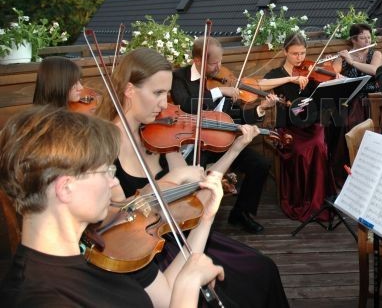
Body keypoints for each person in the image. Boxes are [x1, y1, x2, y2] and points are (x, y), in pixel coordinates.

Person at [97, 47, 289, 307]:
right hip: (146, 256)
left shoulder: (159, 135)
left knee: (263, 268)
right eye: (157, 93)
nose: (164, 104)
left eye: (166, 93)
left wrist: (235, 149)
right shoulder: (103, 147)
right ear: (130, 90)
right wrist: (174, 178)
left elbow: (198, 187)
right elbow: (114, 219)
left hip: (182, 234)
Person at [0, 105, 225, 307]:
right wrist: (188, 286)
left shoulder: (100, 244)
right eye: (105, 171)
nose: (114, 182)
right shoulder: (39, 298)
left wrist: (204, 218)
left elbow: (166, 299)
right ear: (65, 188)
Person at [170, 37, 273, 233]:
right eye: (213, 63)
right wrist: (218, 91)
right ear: (197, 61)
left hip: (221, 140)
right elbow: (186, 105)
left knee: (260, 164)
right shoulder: (179, 77)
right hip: (196, 143)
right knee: (192, 177)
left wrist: (260, 109)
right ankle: (191, 223)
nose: (219, 67)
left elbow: (235, 117)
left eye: (220, 61)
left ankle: (240, 213)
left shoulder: (221, 77)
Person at [259, 33, 336, 222]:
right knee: (300, 150)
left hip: (311, 123)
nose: (300, 58)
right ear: (285, 52)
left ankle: (319, 200)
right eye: (295, 53)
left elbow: (325, 91)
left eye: (302, 53)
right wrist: (289, 79)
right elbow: (261, 84)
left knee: (319, 144)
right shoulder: (277, 73)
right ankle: (301, 199)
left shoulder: (309, 71)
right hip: (289, 127)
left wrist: (334, 78)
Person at [330, 23, 382, 184]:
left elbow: (375, 70)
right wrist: (339, 58)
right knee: (340, 122)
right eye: (362, 38)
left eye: (369, 37)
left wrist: (352, 62)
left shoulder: (375, 54)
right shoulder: (345, 55)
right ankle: (345, 170)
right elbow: (333, 72)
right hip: (351, 99)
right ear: (353, 40)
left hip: (371, 99)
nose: (367, 41)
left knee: (352, 121)